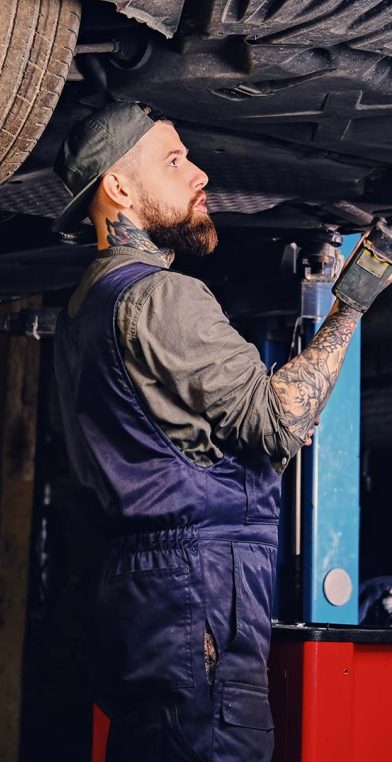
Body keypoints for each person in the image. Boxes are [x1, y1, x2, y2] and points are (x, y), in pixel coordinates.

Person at [51, 101, 365, 762]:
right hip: (198, 598)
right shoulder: (162, 296)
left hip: (142, 602)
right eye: (174, 161)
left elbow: (166, 449)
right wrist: (356, 298)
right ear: (119, 189)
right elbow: (281, 420)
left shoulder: (84, 308)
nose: (201, 176)